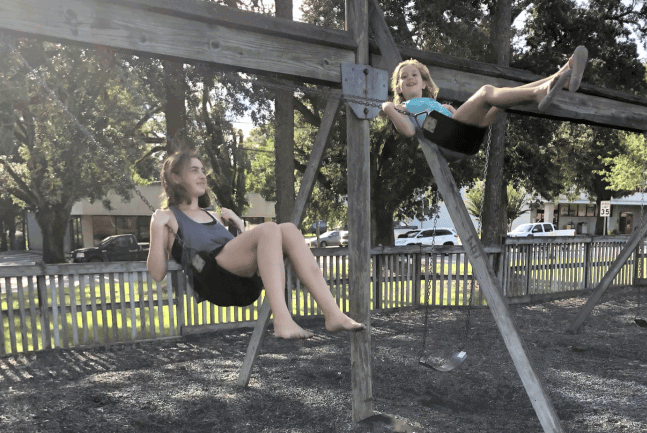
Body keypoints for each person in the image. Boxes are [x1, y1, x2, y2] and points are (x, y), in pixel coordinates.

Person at [146, 149, 365, 339]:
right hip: (214, 277)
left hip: (242, 280)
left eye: (203, 170)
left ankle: (333, 313)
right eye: (194, 170)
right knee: (270, 228)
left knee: (288, 229)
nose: (202, 175)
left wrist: (241, 226)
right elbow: (157, 273)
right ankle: (282, 321)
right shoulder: (168, 218)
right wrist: (156, 228)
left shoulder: (213, 215)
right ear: (175, 177)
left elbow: (242, 248)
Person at [380, 46, 588, 138]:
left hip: (463, 131)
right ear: (397, 87)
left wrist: (450, 109)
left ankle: (560, 76)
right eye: (403, 76)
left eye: (414, 74)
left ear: (425, 83)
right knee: (487, 91)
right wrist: (388, 107)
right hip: (449, 137)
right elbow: (408, 131)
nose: (409, 78)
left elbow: (449, 118)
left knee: (506, 96)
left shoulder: (430, 104)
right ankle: (542, 90)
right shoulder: (403, 107)